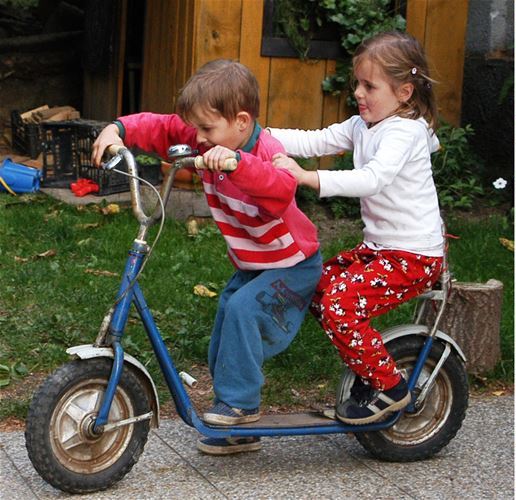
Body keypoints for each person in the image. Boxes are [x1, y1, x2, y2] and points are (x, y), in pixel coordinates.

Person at [91, 59, 323, 454]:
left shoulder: (267, 151)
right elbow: (163, 127)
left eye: (206, 129)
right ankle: (237, 428)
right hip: (254, 263)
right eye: (196, 128)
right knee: (223, 336)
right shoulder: (210, 137)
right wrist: (119, 128)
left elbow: (280, 187)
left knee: (243, 314)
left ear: (242, 122)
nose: (197, 138)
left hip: (294, 264)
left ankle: (241, 406)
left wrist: (238, 163)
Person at [269, 31, 444, 424]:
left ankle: (393, 389)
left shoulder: (404, 132)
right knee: (317, 286)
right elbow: (314, 140)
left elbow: (372, 179)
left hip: (414, 256)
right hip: (382, 249)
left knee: (339, 305)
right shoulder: (362, 125)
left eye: (370, 86)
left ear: (404, 92)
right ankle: (372, 370)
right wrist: (256, 136)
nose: (359, 94)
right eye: (357, 85)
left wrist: (309, 179)